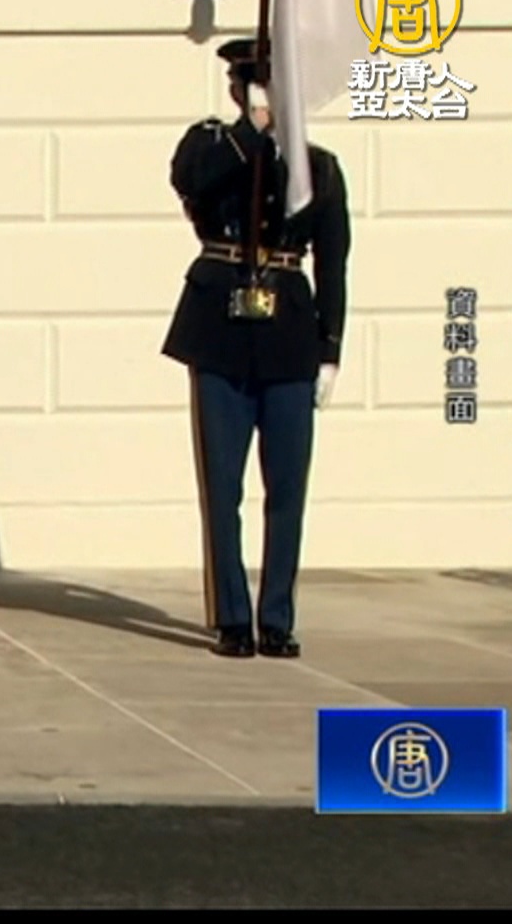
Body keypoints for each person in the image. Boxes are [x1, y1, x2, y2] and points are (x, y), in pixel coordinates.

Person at [162, 37, 351, 660]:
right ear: (238, 91)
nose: (270, 99)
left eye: (278, 89)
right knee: (222, 486)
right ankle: (232, 618)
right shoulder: (211, 145)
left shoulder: (317, 167)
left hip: (288, 333)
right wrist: (252, 132)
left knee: (287, 487)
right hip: (219, 326)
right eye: (258, 88)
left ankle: (276, 616)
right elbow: (191, 180)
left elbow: (334, 264)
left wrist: (330, 350)